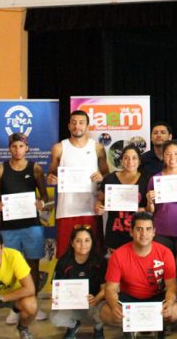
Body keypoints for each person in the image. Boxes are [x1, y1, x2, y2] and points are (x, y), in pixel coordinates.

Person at [0, 133, 50, 324]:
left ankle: (33, 304)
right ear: (9, 148)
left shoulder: (35, 168)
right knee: (12, 268)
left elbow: (44, 195)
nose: (17, 150)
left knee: (33, 266)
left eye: (21, 146)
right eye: (14, 146)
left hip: (31, 225)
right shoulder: (0, 169)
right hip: (8, 227)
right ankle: (15, 308)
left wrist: (42, 203)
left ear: (27, 148)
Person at [100, 212, 177, 335]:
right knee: (106, 313)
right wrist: (115, 306)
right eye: (139, 229)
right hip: (129, 300)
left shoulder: (165, 253)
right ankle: (133, 327)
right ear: (131, 232)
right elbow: (110, 288)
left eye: (148, 229)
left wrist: (169, 303)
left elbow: (171, 285)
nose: (144, 234)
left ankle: (154, 326)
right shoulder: (118, 255)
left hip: (156, 298)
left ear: (154, 232)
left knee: (174, 312)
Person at [47, 110, 110, 258]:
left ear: (87, 126)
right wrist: (52, 179)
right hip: (66, 209)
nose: (77, 126)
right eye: (74, 123)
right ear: (69, 126)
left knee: (94, 254)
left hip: (91, 209)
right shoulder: (59, 148)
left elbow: (107, 175)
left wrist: (101, 177)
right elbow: (51, 175)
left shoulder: (97, 148)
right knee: (65, 254)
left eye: (81, 123)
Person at [51, 226, 107, 339]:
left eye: (87, 240)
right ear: (72, 243)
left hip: (94, 303)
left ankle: (98, 328)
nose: (83, 244)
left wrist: (96, 299)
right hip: (72, 304)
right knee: (55, 318)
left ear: (92, 242)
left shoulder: (100, 261)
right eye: (78, 241)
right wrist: (57, 298)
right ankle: (73, 325)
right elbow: (57, 288)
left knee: (107, 308)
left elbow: (106, 288)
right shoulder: (63, 262)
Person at [147, 140, 177, 254]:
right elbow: (150, 211)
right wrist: (149, 202)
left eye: (176, 153)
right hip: (161, 232)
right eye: (168, 154)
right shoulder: (155, 179)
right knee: (162, 263)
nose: (172, 157)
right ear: (163, 156)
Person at [96, 145, 147, 251]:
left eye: (134, 158)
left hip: (138, 235)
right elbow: (100, 199)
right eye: (126, 158)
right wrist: (99, 206)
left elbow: (152, 209)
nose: (130, 161)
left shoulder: (146, 180)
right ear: (121, 160)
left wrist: (144, 210)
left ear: (139, 161)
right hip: (115, 234)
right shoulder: (110, 178)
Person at [139, 122, 177, 189]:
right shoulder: (143, 159)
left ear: (170, 137)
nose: (159, 135)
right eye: (155, 133)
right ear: (151, 138)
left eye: (163, 132)